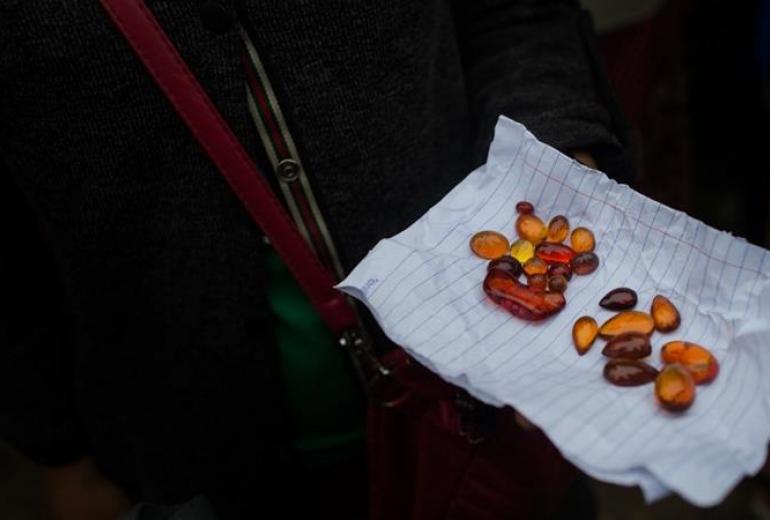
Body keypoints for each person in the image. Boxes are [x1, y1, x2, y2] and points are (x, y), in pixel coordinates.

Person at [0, 1, 632, 518]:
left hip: (488, 399)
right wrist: (55, 447)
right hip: (185, 459)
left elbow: (515, 17)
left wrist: (552, 162)